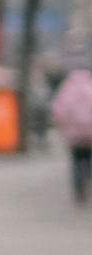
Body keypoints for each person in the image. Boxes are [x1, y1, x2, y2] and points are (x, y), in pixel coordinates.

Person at [51, 61, 92, 203]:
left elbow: (59, 111)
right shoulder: (90, 88)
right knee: (88, 158)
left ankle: (78, 188)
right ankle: (87, 176)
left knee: (76, 162)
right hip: (90, 134)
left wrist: (63, 126)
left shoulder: (67, 89)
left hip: (74, 135)